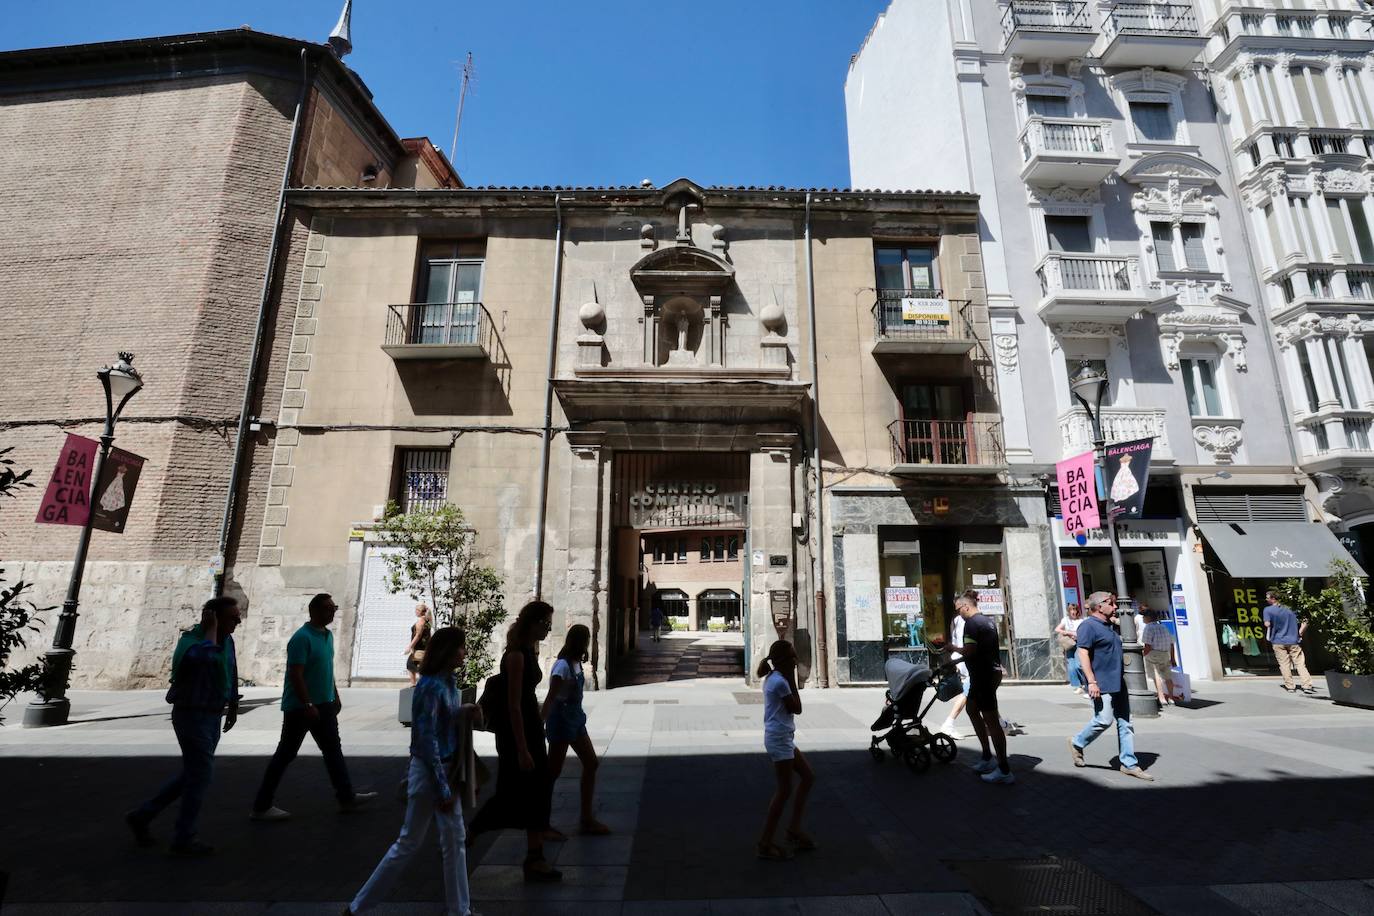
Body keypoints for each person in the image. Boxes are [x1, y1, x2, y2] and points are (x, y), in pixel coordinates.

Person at [346, 626, 483, 916]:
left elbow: (443, 720)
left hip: (444, 767)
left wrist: (463, 711)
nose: (464, 652)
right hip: (430, 772)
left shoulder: (447, 681)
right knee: (409, 842)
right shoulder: (429, 686)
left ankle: (460, 911)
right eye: (460, 647)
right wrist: (443, 789)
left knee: (454, 840)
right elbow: (426, 739)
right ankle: (358, 908)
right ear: (448, 651)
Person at [126, 597, 242, 856]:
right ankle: (183, 837)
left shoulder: (227, 641)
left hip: (212, 716)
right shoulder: (190, 642)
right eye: (232, 617)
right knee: (201, 775)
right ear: (213, 618)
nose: (238, 621)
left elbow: (230, 670)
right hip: (191, 716)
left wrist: (232, 705)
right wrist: (210, 629)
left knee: (193, 774)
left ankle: (143, 816)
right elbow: (205, 658)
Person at [251, 593, 377, 821]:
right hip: (300, 708)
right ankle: (261, 806)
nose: (333, 611)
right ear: (315, 611)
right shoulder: (301, 638)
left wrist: (335, 695)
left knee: (333, 751)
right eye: (329, 608)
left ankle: (346, 798)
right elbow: (296, 675)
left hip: (325, 705)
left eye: (335, 607)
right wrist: (307, 703)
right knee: (286, 754)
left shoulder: (327, 636)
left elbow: (326, 671)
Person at [469, 600, 561, 882]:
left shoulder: (529, 651)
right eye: (545, 623)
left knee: (539, 788)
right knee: (510, 791)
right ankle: (468, 834)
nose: (548, 628)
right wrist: (522, 748)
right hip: (515, 733)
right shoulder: (516, 656)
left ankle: (535, 857)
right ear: (531, 623)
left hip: (529, 727)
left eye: (549, 624)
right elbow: (512, 705)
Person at [1069, 592, 1154, 781]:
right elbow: (1082, 653)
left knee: (1125, 722)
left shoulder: (1109, 626)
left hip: (1118, 681)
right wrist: (1091, 681)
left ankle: (1129, 763)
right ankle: (1077, 742)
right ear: (1099, 606)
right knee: (1104, 720)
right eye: (1112, 604)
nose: (1116, 607)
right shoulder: (1088, 626)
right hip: (1101, 682)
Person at [541, 624, 611, 836]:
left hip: (576, 720)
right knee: (552, 772)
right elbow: (551, 697)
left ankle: (586, 818)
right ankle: (541, 824)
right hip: (561, 722)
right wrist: (540, 723)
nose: (589, 642)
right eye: (587, 638)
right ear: (580, 640)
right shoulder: (562, 666)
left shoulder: (575, 663)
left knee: (591, 763)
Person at [944, 594, 1013, 784]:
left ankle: (1004, 769)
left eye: (958, 609)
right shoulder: (988, 621)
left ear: (965, 606)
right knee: (972, 709)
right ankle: (986, 757)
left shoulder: (972, 624)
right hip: (984, 674)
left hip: (983, 676)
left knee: (991, 720)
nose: (958, 613)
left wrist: (952, 648)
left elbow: (970, 651)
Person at [756, 639, 815, 861]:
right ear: (783, 661)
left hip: (783, 737)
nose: (795, 660)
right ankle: (764, 842)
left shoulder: (774, 678)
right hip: (779, 739)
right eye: (792, 656)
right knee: (784, 791)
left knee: (808, 777)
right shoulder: (780, 681)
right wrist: (792, 679)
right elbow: (797, 708)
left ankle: (793, 828)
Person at [1264, 590, 1314, 694]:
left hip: (1278, 641)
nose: (1266, 599)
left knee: (1284, 664)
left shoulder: (1268, 610)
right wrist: (1300, 633)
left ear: (1273, 598)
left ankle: (1290, 686)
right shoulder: (1291, 609)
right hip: (1293, 640)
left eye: (1267, 597)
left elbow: (1267, 624)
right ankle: (1307, 685)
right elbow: (1306, 621)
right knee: (1300, 663)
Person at [938, 606, 971, 740]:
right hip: (965, 658)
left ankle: (999, 722)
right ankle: (949, 723)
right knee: (968, 690)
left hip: (959, 657)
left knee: (981, 692)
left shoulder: (956, 620)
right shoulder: (967, 621)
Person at [1139, 606, 1178, 707]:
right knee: (1167, 676)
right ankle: (1171, 697)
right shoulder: (1163, 627)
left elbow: (1147, 645)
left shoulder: (1148, 628)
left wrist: (1143, 655)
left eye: (1144, 617)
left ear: (1148, 617)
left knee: (1156, 675)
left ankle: (1161, 698)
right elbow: (1171, 644)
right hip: (1165, 653)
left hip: (1153, 653)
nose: (1142, 619)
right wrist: (1173, 658)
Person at [1056, 603, 1087, 695]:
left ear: (1077, 611)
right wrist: (1068, 632)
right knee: (1071, 667)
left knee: (1078, 665)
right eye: (1071, 610)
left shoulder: (1082, 620)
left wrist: (1075, 635)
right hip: (1069, 644)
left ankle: (1084, 683)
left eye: (1074, 610)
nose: (1073, 612)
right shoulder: (1065, 620)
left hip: (1079, 643)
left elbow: (1083, 632)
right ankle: (1077, 686)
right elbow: (1057, 629)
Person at [404, 603, 432, 686]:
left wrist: (410, 646)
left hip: (419, 648)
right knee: (420, 668)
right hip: (424, 648)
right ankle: (421, 685)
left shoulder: (420, 621)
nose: (415, 612)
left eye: (416, 610)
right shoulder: (428, 621)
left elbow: (418, 635)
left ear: (420, 611)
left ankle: (414, 685)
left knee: (410, 665)